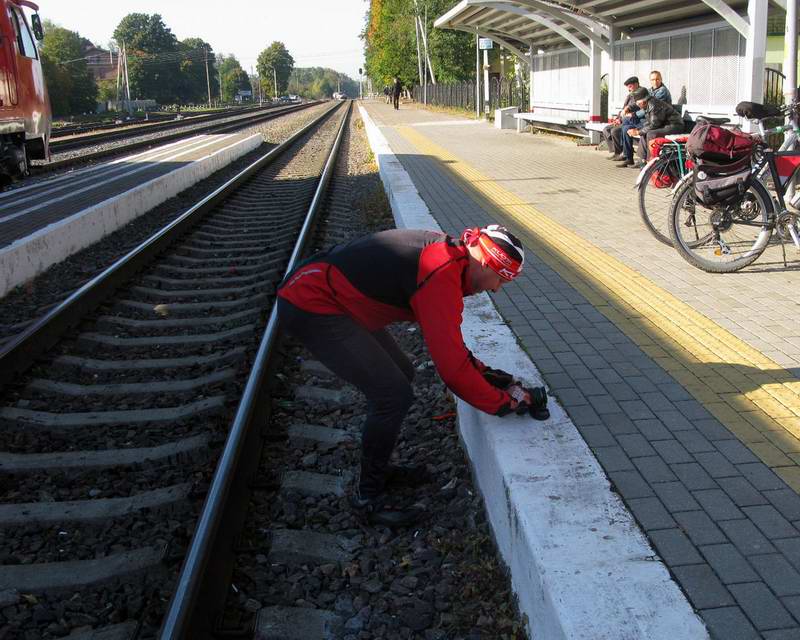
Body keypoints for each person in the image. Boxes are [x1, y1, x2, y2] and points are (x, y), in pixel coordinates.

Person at [276, 225, 549, 527]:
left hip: (329, 294)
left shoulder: (450, 260)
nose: (497, 288)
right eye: (500, 279)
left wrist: (495, 378)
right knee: (392, 396)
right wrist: (504, 404)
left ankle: (380, 469)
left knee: (402, 374)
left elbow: (453, 349)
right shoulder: (439, 273)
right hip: (312, 302)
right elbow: (453, 371)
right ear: (485, 262)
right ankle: (367, 498)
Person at [624, 86, 684, 166]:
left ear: (644, 101)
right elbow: (635, 105)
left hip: (674, 125)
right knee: (644, 131)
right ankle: (642, 159)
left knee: (650, 133)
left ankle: (651, 161)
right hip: (664, 124)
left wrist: (638, 132)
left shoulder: (654, 105)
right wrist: (628, 108)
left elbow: (654, 124)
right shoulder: (648, 102)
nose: (638, 105)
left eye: (639, 103)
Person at [601, 76, 642, 161]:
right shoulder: (630, 95)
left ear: (636, 84)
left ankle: (623, 153)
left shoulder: (640, 94)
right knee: (606, 129)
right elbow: (624, 108)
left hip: (633, 121)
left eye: (630, 86)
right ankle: (617, 152)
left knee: (615, 131)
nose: (629, 89)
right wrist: (618, 118)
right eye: (628, 87)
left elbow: (636, 108)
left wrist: (622, 119)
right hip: (624, 120)